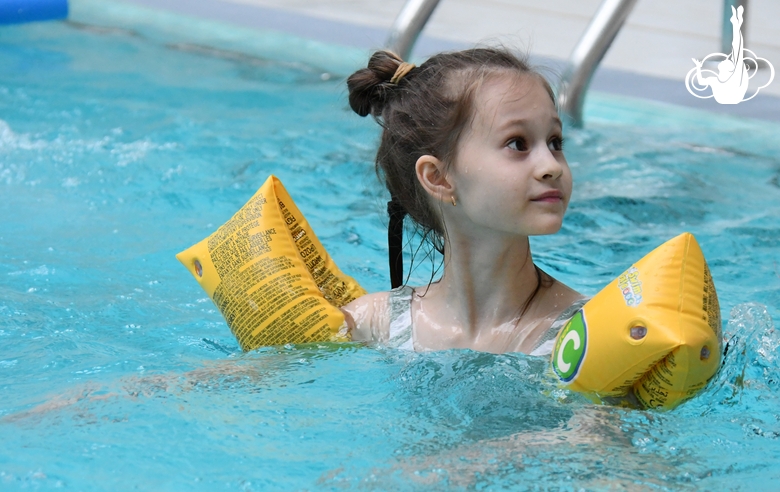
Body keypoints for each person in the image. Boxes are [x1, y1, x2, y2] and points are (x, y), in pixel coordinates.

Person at [340, 48, 585, 355]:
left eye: (554, 142)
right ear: (438, 178)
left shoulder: (583, 337)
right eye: (518, 144)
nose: (551, 166)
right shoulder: (373, 324)